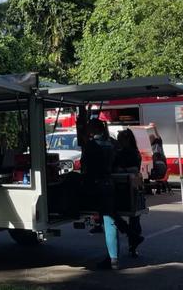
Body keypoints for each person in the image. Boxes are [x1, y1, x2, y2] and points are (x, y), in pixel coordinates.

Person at [76, 108, 143, 270]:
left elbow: (85, 166)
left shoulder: (92, 145)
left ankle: (113, 258)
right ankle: (129, 237)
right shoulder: (111, 144)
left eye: (89, 128)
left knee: (108, 218)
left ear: (94, 129)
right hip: (109, 183)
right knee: (111, 216)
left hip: (97, 184)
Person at [115, 129, 145, 258]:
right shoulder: (131, 152)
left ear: (126, 140)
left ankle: (133, 241)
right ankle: (133, 243)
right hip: (133, 187)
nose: (118, 141)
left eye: (120, 139)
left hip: (127, 187)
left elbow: (134, 169)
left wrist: (122, 170)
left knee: (131, 217)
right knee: (134, 218)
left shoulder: (130, 153)